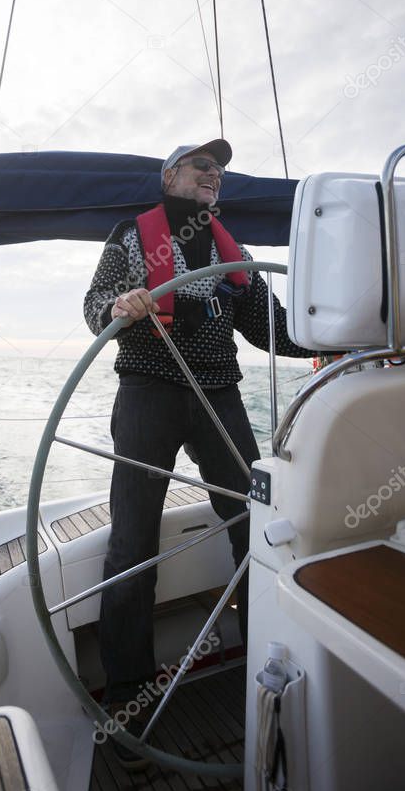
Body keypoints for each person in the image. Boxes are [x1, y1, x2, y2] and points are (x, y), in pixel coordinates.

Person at [83, 138, 312, 749]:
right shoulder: (131, 237)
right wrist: (121, 302)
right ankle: (129, 698)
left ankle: (272, 663)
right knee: (132, 543)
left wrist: (336, 335)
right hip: (147, 396)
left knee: (252, 522)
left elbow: (278, 332)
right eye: (201, 166)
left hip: (220, 397)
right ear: (170, 177)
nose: (214, 175)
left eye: (219, 170)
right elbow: (93, 310)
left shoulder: (232, 251)